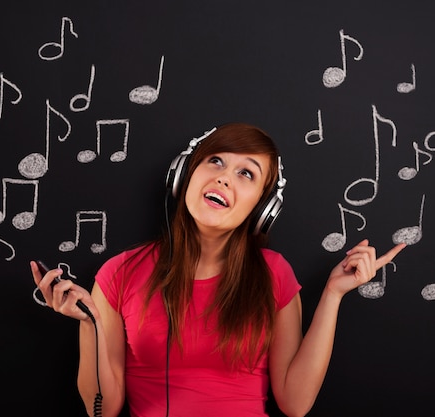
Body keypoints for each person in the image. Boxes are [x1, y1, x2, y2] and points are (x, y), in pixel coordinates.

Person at [31, 122, 406, 417]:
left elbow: (295, 403)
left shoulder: (274, 274)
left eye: (247, 173)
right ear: (184, 177)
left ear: (262, 208)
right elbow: (104, 409)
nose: (225, 177)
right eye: (216, 161)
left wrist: (333, 294)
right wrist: (88, 322)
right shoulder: (120, 273)